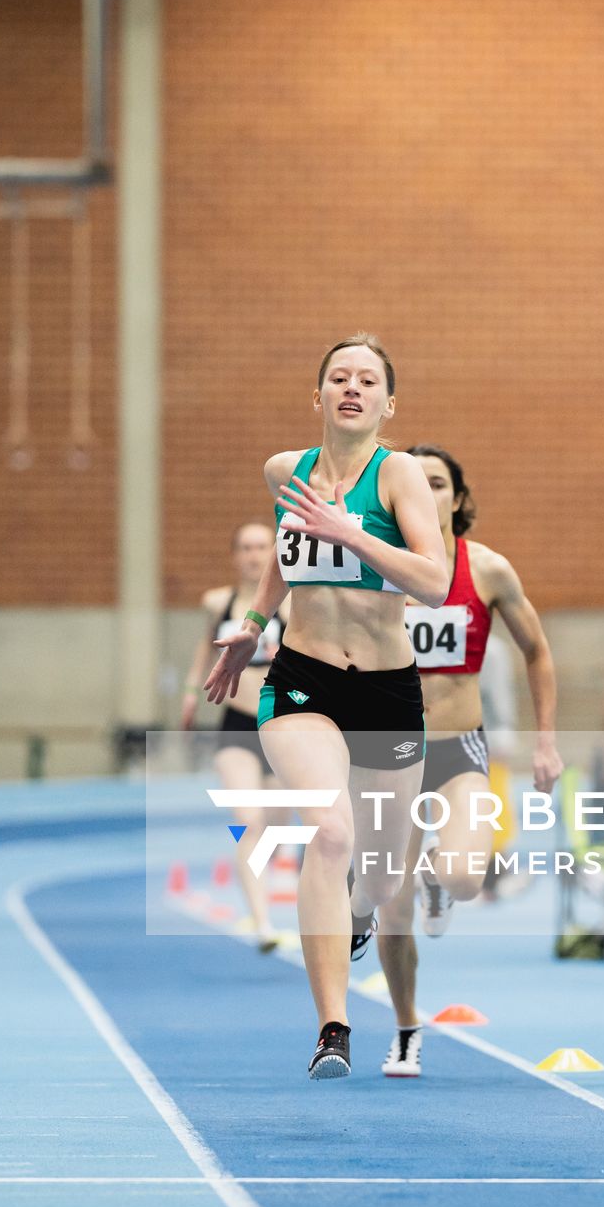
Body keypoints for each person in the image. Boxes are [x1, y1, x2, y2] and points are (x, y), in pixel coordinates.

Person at [205, 334, 451, 1081]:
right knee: (332, 832)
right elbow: (286, 555)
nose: (352, 387)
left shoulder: (399, 474)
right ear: (316, 398)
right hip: (304, 677)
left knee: (377, 876)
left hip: (385, 688)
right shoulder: (287, 471)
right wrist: (252, 628)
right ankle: (332, 1028)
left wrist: (350, 532)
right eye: (338, 378)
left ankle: (364, 915)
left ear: (387, 403)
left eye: (367, 380)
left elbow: (434, 582)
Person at [372, 445, 561, 1079]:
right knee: (388, 907)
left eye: (438, 483)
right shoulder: (377, 566)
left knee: (463, 879)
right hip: (388, 752)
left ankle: (437, 881)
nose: (426, 494)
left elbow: (537, 651)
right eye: (415, 485)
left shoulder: (487, 571)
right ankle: (405, 1029)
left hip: (458, 748)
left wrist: (545, 740)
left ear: (458, 497)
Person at [180, 522, 289, 951]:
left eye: (262, 546)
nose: (253, 555)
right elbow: (202, 654)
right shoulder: (218, 602)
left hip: (280, 726)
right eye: (245, 547)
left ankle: (279, 886)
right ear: (234, 555)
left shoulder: (291, 601)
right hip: (236, 727)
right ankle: (261, 922)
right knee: (249, 821)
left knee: (278, 826)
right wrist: (191, 696)